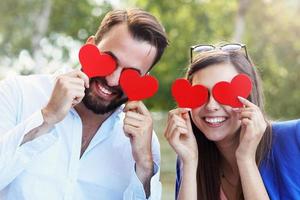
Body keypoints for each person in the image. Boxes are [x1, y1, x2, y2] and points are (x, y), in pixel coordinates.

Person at [0, 8, 168, 199]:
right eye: (109, 60)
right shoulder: (16, 93)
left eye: (130, 74)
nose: (112, 80)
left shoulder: (144, 141)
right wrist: (46, 118)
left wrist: (145, 166)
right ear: (91, 46)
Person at [164, 44, 300, 200]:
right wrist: (189, 163)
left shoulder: (295, 138)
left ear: (248, 98)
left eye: (225, 93)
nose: (211, 106)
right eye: (199, 94)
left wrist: (246, 159)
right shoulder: (189, 158)